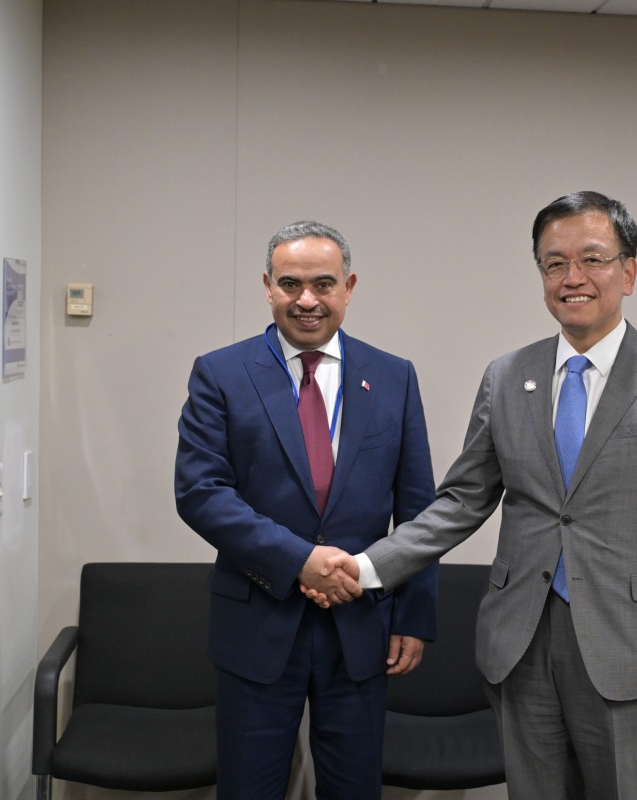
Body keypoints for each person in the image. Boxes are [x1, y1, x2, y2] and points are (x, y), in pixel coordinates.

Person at [318, 191, 637, 799]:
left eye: (592, 259)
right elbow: (461, 500)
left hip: (628, 649)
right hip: (520, 641)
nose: (572, 278)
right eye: (554, 263)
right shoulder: (508, 376)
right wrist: (367, 567)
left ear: (629, 272)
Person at [174, 220, 437, 800]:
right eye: (290, 284)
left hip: (362, 621)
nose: (307, 300)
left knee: (354, 789)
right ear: (268, 286)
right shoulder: (221, 373)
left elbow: (419, 509)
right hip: (257, 621)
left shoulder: (393, 376)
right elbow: (201, 492)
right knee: (249, 788)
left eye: (323, 283)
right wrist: (301, 561)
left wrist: (414, 614)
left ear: (349, 287)